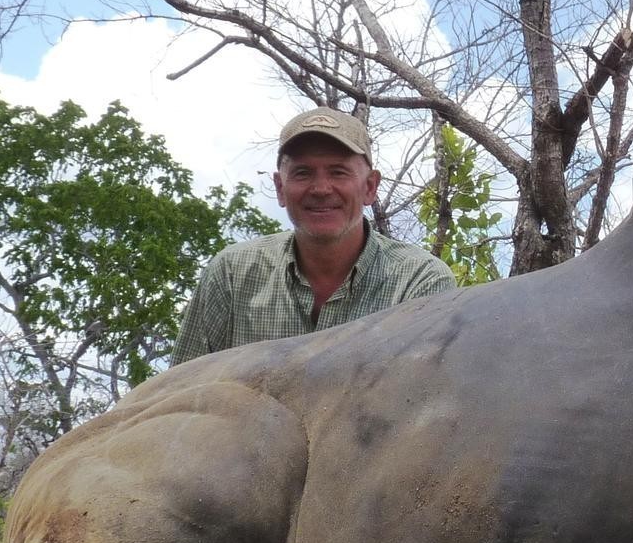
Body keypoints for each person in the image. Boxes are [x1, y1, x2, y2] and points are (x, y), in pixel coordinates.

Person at [173, 107, 457, 363]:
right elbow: (174, 399)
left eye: (338, 172)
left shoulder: (420, 282)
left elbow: (426, 404)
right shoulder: (232, 274)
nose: (321, 189)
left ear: (370, 187)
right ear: (280, 188)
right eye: (302, 173)